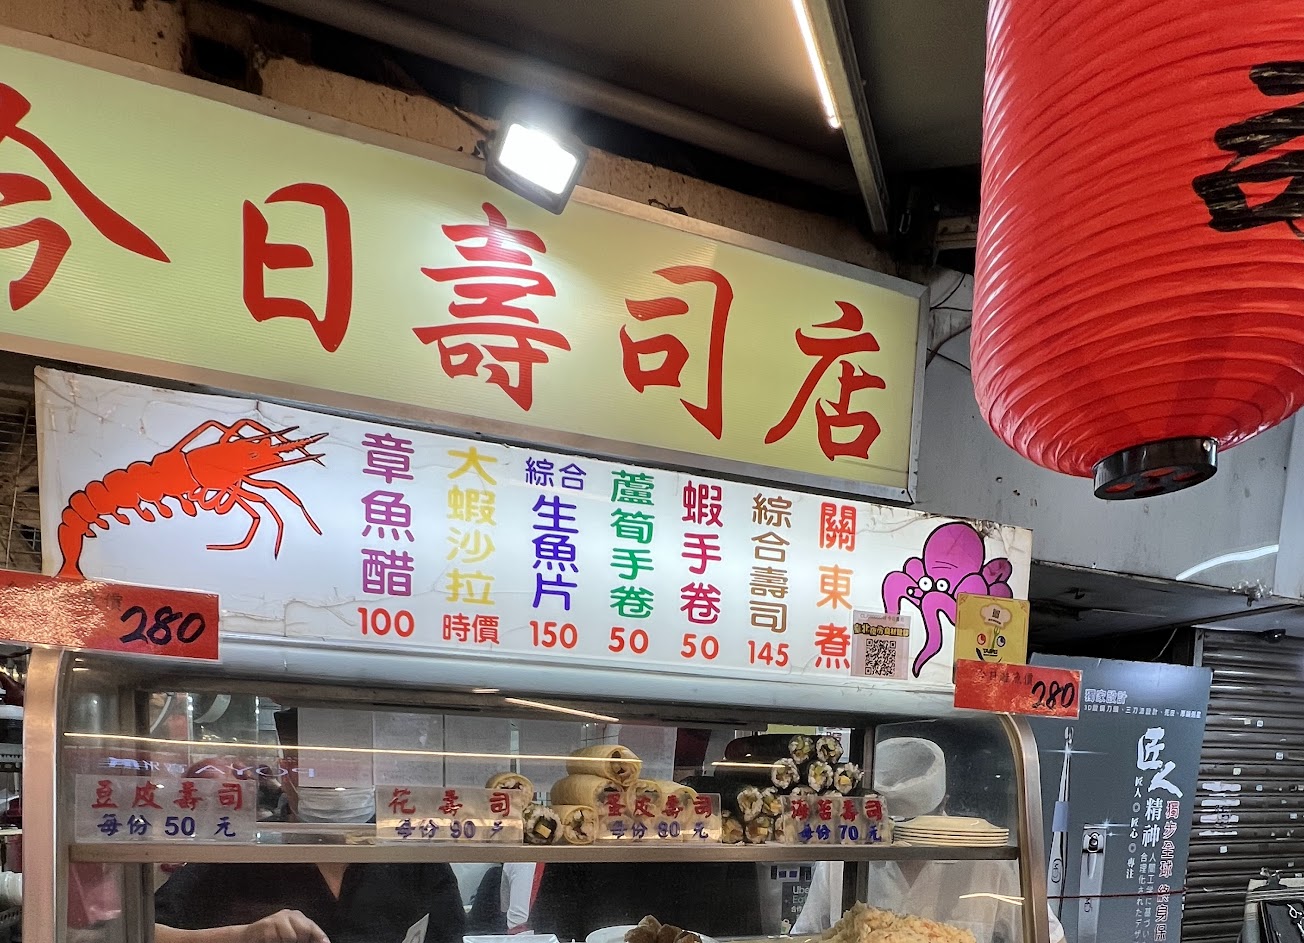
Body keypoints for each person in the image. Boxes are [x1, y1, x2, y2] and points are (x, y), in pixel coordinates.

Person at [153, 710, 465, 943]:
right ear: (286, 772)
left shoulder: (414, 854)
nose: (338, 789)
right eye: (318, 773)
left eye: (353, 771)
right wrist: (242, 935)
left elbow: (449, 934)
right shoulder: (246, 849)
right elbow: (144, 930)